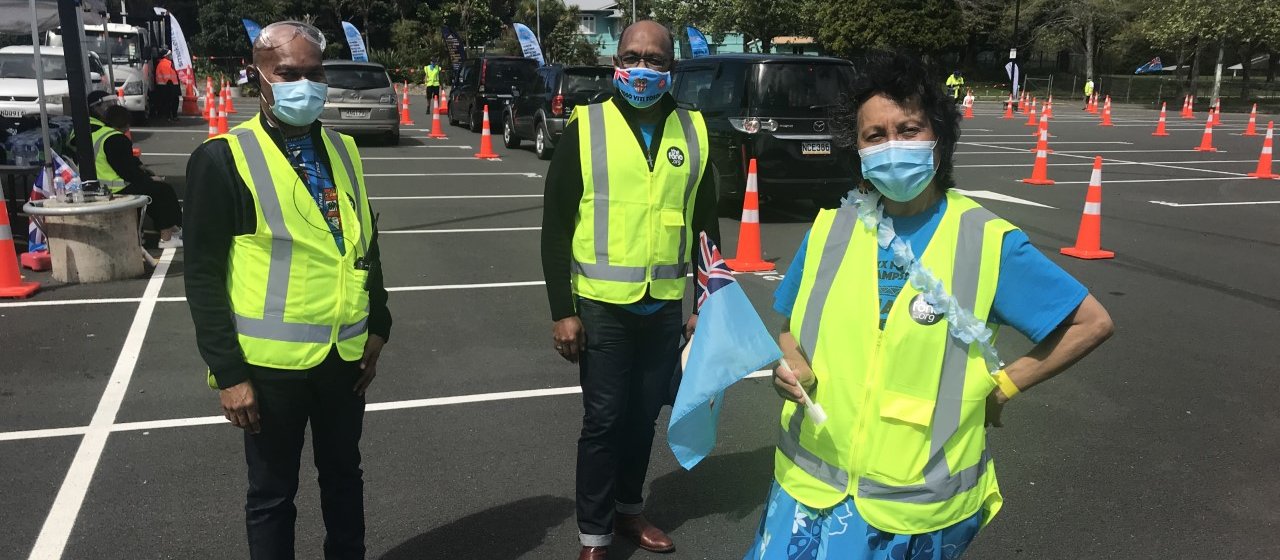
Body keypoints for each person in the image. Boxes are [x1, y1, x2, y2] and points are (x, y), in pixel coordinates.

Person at [744, 51, 1114, 560]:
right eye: (875, 136)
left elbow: (1090, 322)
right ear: (858, 149)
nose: (892, 146)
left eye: (909, 129)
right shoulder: (831, 228)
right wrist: (796, 364)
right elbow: (790, 325)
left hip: (918, 514)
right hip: (809, 493)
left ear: (939, 138)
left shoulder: (985, 240)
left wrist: (1004, 387)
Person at [183, 20, 391, 560]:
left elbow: (363, 243)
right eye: (289, 73)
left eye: (314, 73)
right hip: (270, 369)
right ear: (259, 79)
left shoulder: (343, 148)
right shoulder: (223, 159)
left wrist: (378, 326)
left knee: (345, 480)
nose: (305, 84)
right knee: (273, 496)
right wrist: (229, 374)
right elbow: (202, 276)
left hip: (343, 357)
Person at [541, 19, 719, 560]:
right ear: (616, 60)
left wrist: (704, 303)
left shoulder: (693, 130)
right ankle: (593, 535)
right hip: (600, 306)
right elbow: (555, 226)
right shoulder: (587, 126)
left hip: (662, 306)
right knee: (603, 422)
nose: (642, 69)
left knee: (644, 417)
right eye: (633, 56)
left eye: (655, 60)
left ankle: (629, 510)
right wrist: (561, 311)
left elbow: (706, 226)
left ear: (671, 68)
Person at [81, 102, 184, 248]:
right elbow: (128, 171)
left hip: (97, 185)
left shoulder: (98, 133)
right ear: (126, 124)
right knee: (162, 190)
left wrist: (140, 168)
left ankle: (172, 228)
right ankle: (167, 237)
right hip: (114, 188)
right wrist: (149, 177)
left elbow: (122, 161)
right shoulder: (116, 139)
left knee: (152, 189)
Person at [154, 49, 180, 122]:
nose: (171, 56)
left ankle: (169, 116)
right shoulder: (165, 64)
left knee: (168, 101)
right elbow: (167, 77)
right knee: (170, 101)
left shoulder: (166, 63)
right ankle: (170, 116)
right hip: (168, 86)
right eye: (169, 54)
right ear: (165, 56)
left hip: (166, 85)